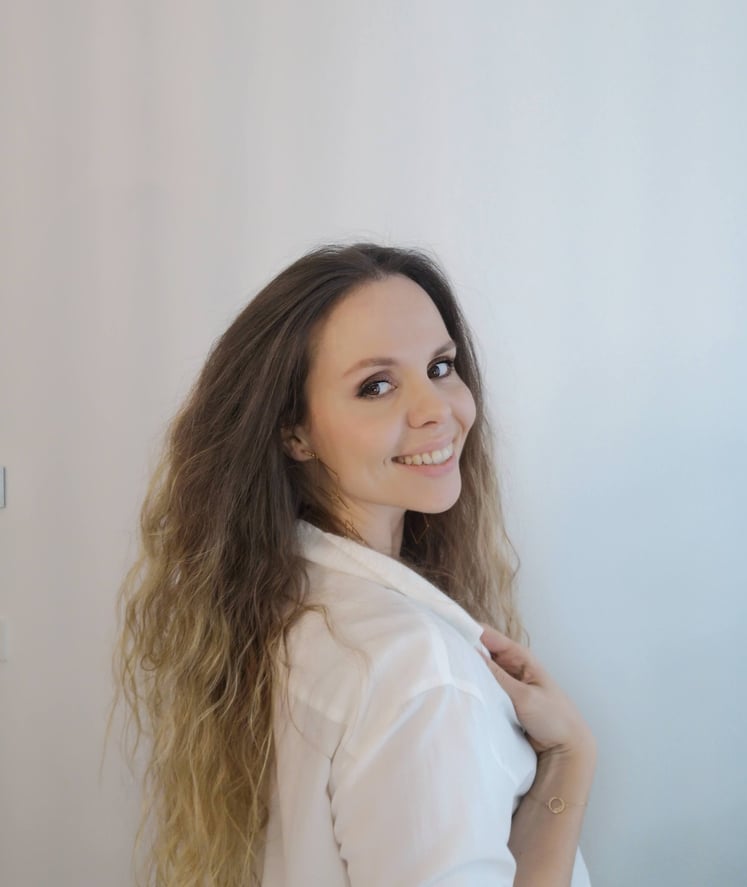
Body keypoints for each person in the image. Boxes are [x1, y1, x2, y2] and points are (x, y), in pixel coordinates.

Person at [115, 243, 596, 887]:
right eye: (376, 385)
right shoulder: (418, 673)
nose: (436, 409)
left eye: (441, 366)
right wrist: (568, 767)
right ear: (295, 432)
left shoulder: (279, 599)